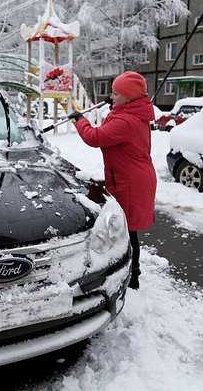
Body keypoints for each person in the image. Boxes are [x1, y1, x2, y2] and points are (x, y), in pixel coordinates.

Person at [69, 71, 157, 289]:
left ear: (129, 98)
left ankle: (132, 277)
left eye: (117, 93)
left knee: (128, 231)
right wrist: (115, 105)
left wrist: (80, 121)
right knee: (126, 228)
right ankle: (128, 272)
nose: (112, 96)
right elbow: (117, 118)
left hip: (131, 182)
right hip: (132, 176)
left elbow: (96, 137)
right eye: (112, 92)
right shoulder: (133, 113)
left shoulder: (127, 121)